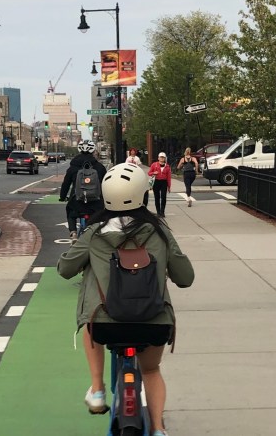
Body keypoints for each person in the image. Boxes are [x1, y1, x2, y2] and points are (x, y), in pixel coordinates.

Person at [57, 162, 195, 434]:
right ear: (143, 195)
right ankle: (157, 429)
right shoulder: (160, 231)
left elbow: (65, 269)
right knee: (152, 371)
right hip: (153, 323)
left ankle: (97, 390)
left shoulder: (94, 233)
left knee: (91, 317)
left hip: (105, 325)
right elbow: (185, 277)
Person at [60, 140, 108, 239]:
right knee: (100, 218)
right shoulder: (100, 167)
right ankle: (97, 234)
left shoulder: (73, 168)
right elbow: (107, 183)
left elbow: (66, 184)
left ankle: (73, 232)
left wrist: (62, 196)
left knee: (70, 213)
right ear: (93, 151)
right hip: (95, 203)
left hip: (77, 201)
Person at [147, 152, 171, 217]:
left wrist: (169, 186)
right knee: (157, 197)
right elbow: (149, 173)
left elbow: (169, 177)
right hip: (156, 181)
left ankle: (162, 211)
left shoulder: (167, 166)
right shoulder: (154, 165)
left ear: (165, 158)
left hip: (164, 182)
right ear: (158, 158)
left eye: (163, 157)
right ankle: (158, 212)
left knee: (163, 197)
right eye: (160, 157)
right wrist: (154, 172)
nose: (162, 158)